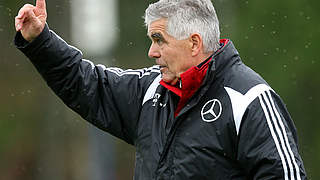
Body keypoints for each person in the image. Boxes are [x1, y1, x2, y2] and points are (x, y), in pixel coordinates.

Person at [15, 0, 308, 179]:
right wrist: (41, 41)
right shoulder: (152, 88)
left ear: (194, 43)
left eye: (159, 40)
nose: (151, 52)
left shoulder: (249, 100)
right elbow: (87, 83)